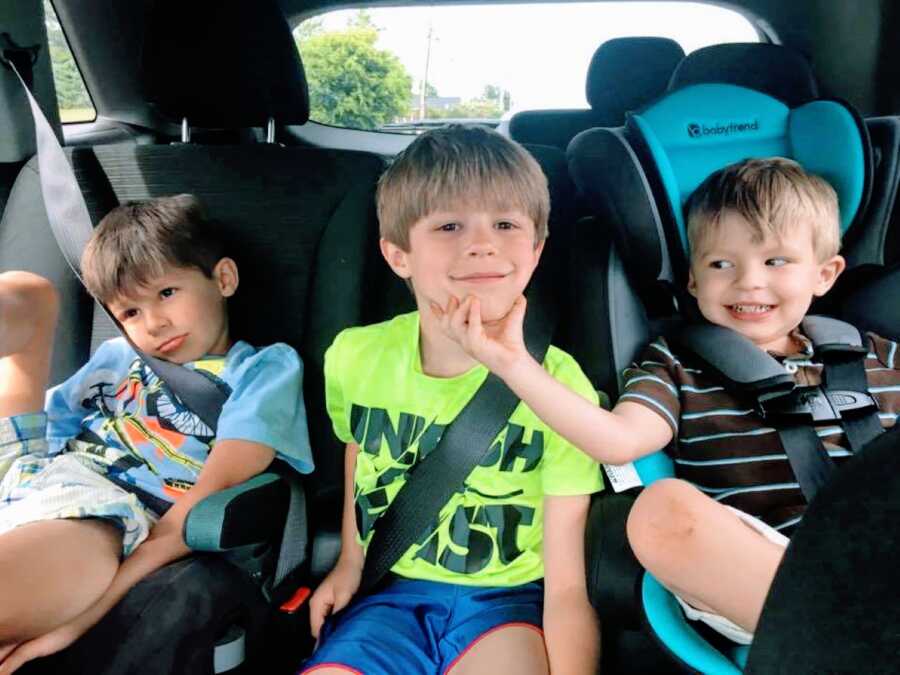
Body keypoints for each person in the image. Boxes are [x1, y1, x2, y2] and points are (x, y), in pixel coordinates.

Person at [434, 157, 900, 645]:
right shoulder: (675, 365)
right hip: (770, 570)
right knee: (660, 512)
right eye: (721, 263)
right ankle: (854, 637)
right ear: (694, 281)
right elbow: (616, 441)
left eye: (775, 261)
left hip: (884, 540)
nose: (749, 282)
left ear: (826, 274)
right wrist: (512, 363)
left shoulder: (871, 351)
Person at [301, 125, 604, 675]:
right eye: (449, 225)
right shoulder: (353, 356)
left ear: (536, 251)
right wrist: (350, 561)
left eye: (506, 224)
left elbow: (565, 588)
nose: (482, 243)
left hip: (507, 606)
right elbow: (359, 455)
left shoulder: (560, 390)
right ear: (398, 256)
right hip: (388, 594)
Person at [0, 194, 313, 673]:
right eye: (130, 313)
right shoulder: (115, 357)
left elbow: (192, 514)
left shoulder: (260, 370)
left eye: (167, 294)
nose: (154, 324)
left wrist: (80, 620)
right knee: (25, 287)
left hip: (106, 510)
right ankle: (35, 303)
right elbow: (49, 427)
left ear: (223, 279)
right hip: (37, 476)